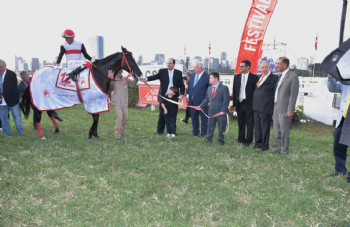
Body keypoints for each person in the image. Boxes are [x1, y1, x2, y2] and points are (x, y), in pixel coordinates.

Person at [140, 58, 185, 135]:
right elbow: (154, 76)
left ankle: (172, 132)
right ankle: (160, 131)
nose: (168, 64)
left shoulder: (179, 73)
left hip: (174, 98)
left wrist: (182, 95)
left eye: (170, 63)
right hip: (163, 97)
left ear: (174, 64)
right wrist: (146, 79)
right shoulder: (162, 71)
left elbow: (182, 86)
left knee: (173, 115)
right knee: (162, 114)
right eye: (167, 63)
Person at [273, 57, 299, 155]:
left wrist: (290, 110)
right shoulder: (280, 76)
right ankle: (278, 146)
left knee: (284, 130)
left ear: (285, 65)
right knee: (276, 129)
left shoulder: (293, 76)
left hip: (285, 108)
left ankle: (284, 149)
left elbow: (293, 94)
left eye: (279, 63)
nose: (277, 65)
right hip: (276, 106)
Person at [327, 73, 350, 183]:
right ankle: (340, 170)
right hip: (344, 118)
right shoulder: (345, 80)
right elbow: (333, 88)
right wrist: (331, 78)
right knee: (338, 145)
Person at [197, 72, 230, 145]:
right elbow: (206, 99)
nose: (209, 79)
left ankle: (221, 141)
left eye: (211, 78)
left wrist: (223, 110)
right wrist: (200, 106)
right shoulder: (209, 88)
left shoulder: (224, 88)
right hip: (211, 111)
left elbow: (226, 100)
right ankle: (208, 139)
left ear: (216, 78)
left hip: (221, 112)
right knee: (210, 126)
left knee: (221, 127)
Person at [252, 61, 278, 151]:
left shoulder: (274, 78)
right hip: (256, 106)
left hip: (265, 107)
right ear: (259, 69)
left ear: (269, 68)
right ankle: (258, 143)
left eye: (266, 67)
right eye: (262, 67)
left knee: (265, 127)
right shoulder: (259, 77)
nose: (264, 69)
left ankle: (265, 145)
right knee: (257, 127)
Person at [232, 60, 258, 146]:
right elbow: (235, 91)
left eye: (242, 66)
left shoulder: (254, 77)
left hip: (249, 103)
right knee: (241, 122)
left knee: (250, 123)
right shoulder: (237, 77)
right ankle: (241, 139)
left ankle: (248, 140)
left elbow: (256, 92)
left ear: (248, 67)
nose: (240, 68)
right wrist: (234, 104)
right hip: (239, 103)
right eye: (240, 66)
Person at [108, 69, 138, 140]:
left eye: (122, 69)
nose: (121, 70)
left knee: (125, 118)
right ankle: (117, 135)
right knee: (120, 117)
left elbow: (132, 85)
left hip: (124, 102)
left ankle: (123, 133)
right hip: (116, 102)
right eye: (120, 68)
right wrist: (111, 79)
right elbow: (111, 88)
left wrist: (136, 78)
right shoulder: (114, 78)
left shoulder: (125, 79)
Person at [0, 60, 25, 135]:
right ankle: (7, 132)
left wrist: (3, 94)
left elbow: (12, 87)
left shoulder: (12, 74)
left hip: (12, 100)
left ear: (5, 66)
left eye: (0, 67)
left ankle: (21, 131)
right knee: (3, 118)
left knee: (17, 117)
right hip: (1, 102)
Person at [186, 62, 210, 137]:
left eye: (196, 67)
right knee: (194, 117)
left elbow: (210, 89)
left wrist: (209, 100)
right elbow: (189, 86)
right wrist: (187, 96)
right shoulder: (192, 75)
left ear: (201, 68)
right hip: (192, 101)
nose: (194, 69)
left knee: (203, 118)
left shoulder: (207, 76)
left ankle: (204, 133)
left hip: (203, 102)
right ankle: (195, 132)